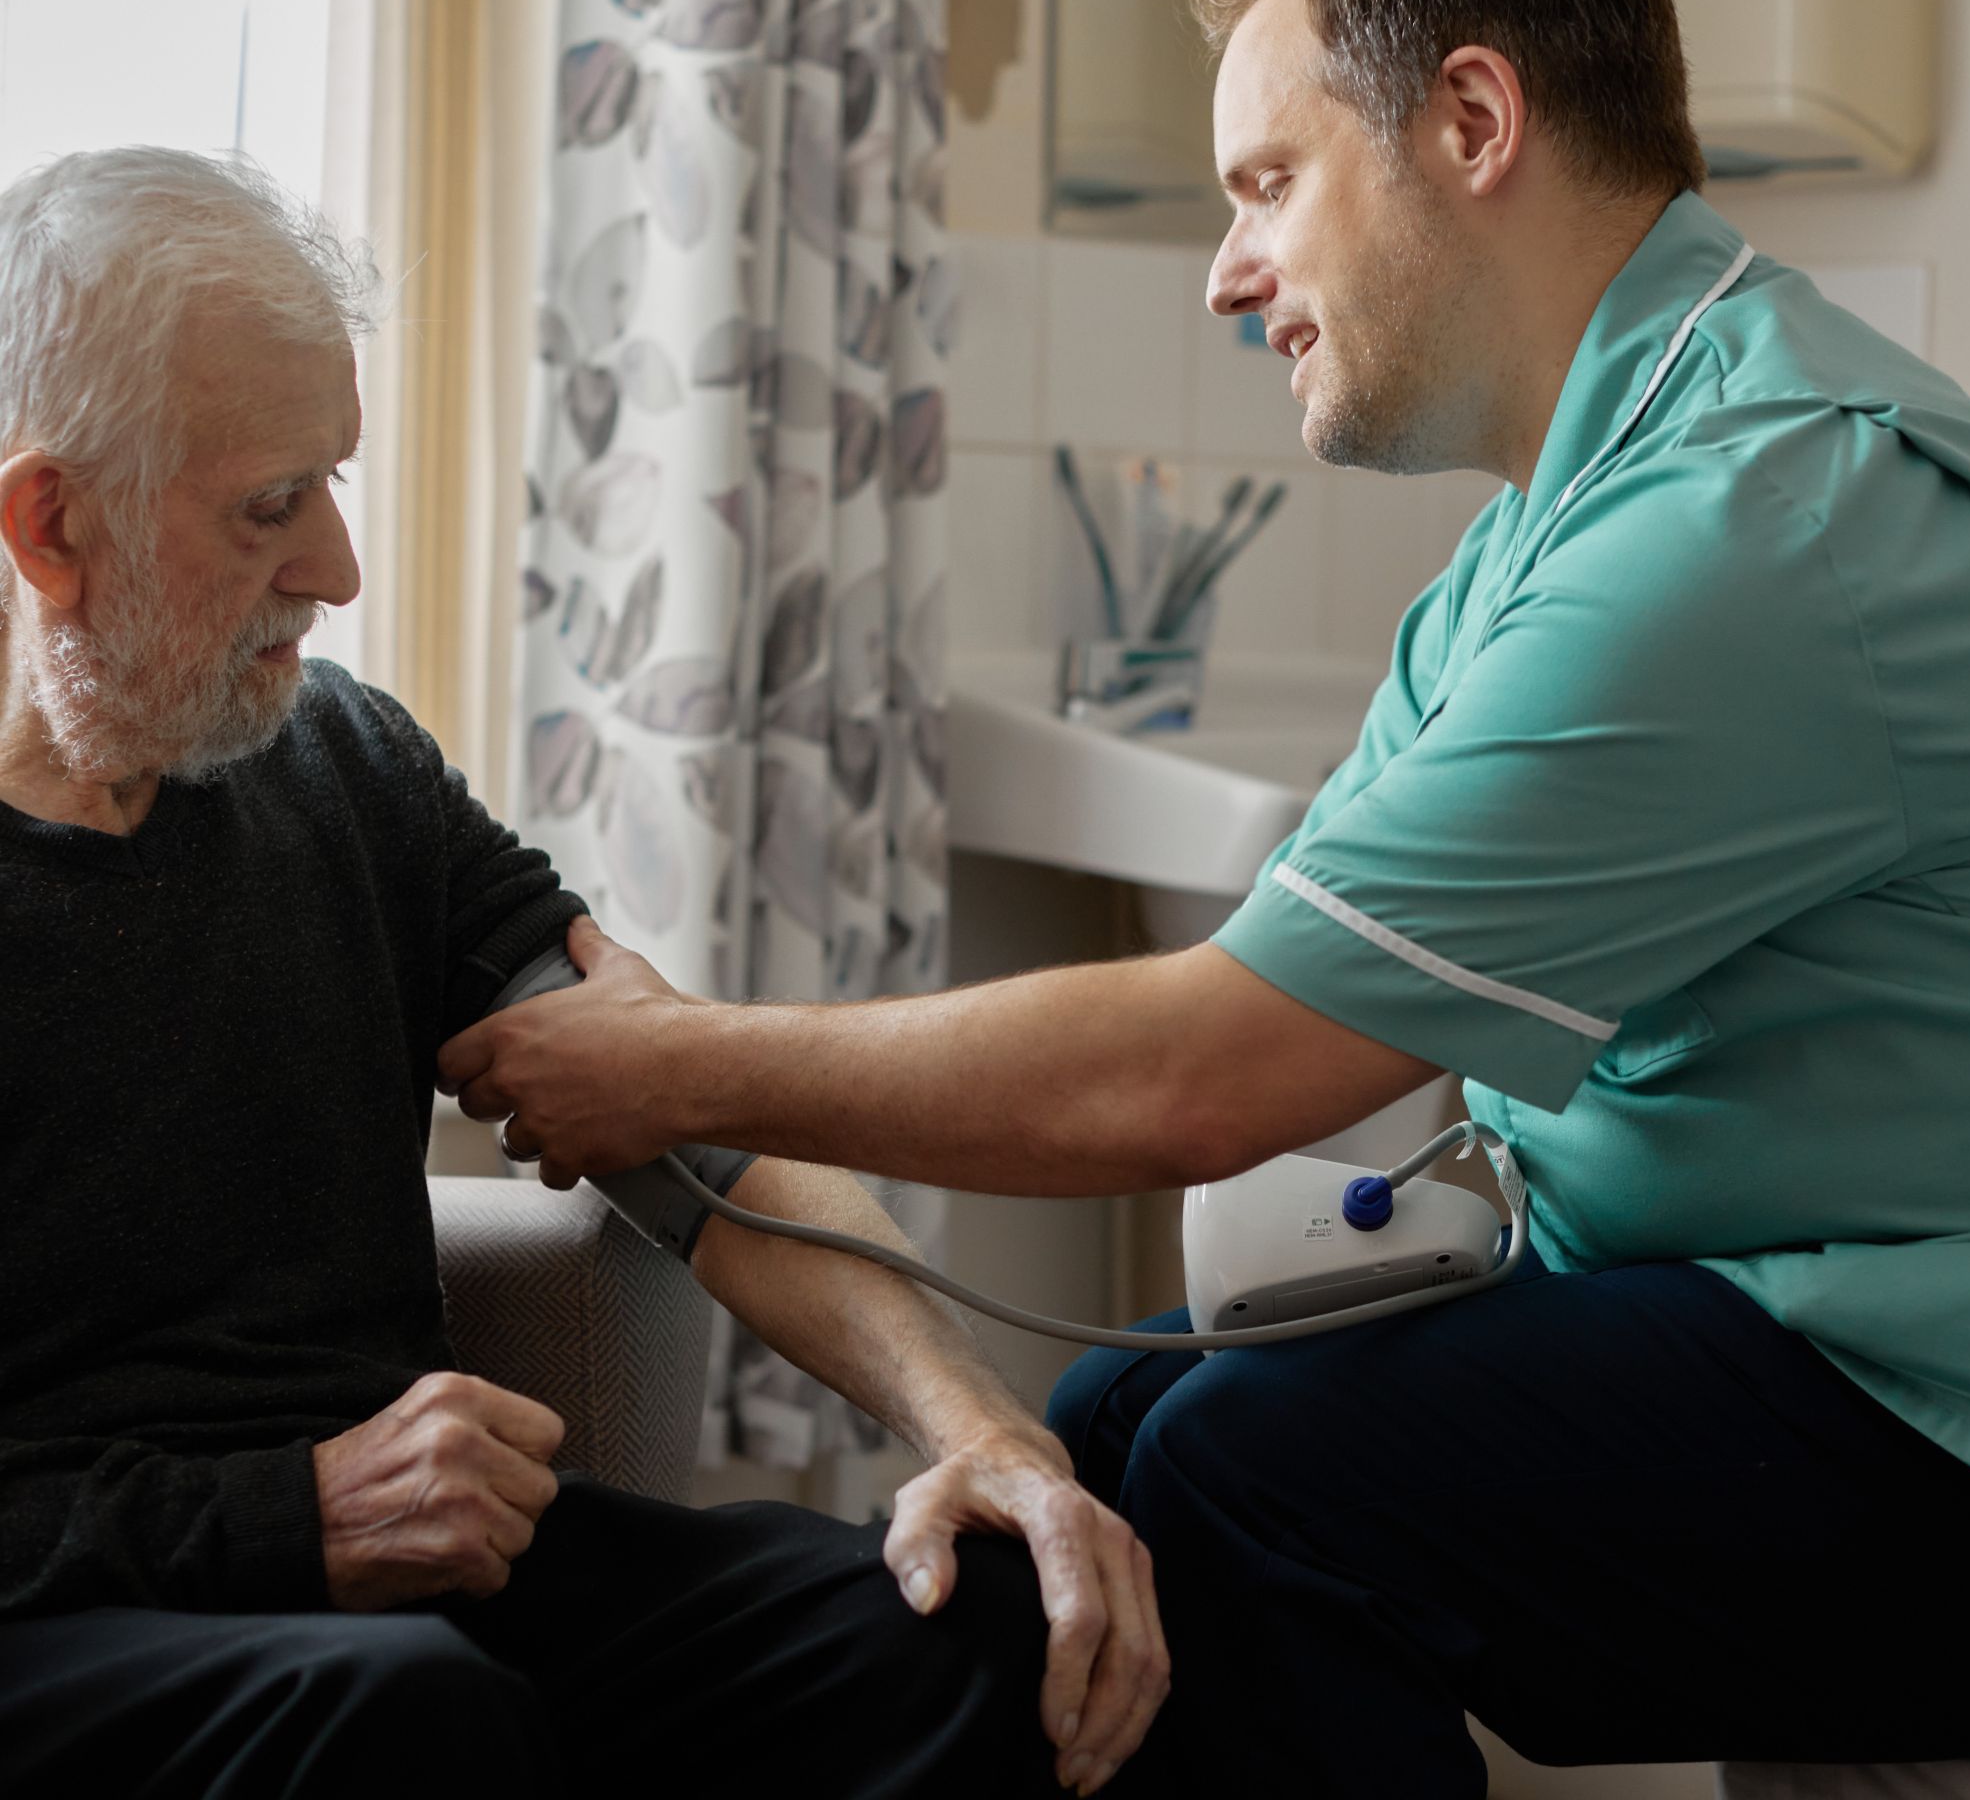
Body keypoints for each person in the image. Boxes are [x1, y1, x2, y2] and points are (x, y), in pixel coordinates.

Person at [442, 0, 1970, 1794]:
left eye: (1265, 182)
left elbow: (1208, 1073)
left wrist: (677, 1066)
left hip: (1946, 1396)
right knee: (1106, 1432)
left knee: (1250, 1473)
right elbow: (1234, 989)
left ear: (1476, 124)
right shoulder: (1561, 529)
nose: (1224, 266)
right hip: (1773, 1319)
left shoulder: (1753, 526)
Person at [0, 146, 1168, 1799]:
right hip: (79, 1614)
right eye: (271, 505)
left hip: (408, 1577)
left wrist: (980, 1434)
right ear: (50, 523)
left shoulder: (342, 767)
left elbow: (696, 1125)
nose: (334, 571)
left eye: (336, 484)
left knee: (969, 1628)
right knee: (405, 1717)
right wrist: (285, 1518)